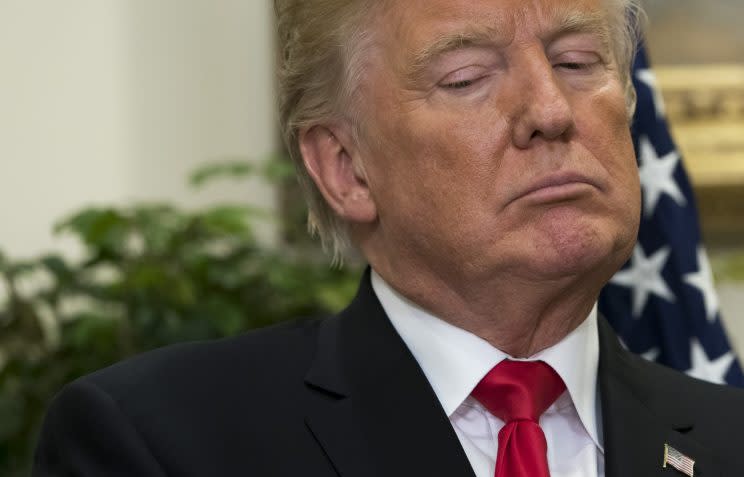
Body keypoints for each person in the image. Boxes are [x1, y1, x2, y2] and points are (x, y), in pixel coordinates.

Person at [33, 0, 744, 476]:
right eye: (467, 77)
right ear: (347, 168)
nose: (551, 111)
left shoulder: (729, 438)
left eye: (578, 62)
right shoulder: (162, 443)